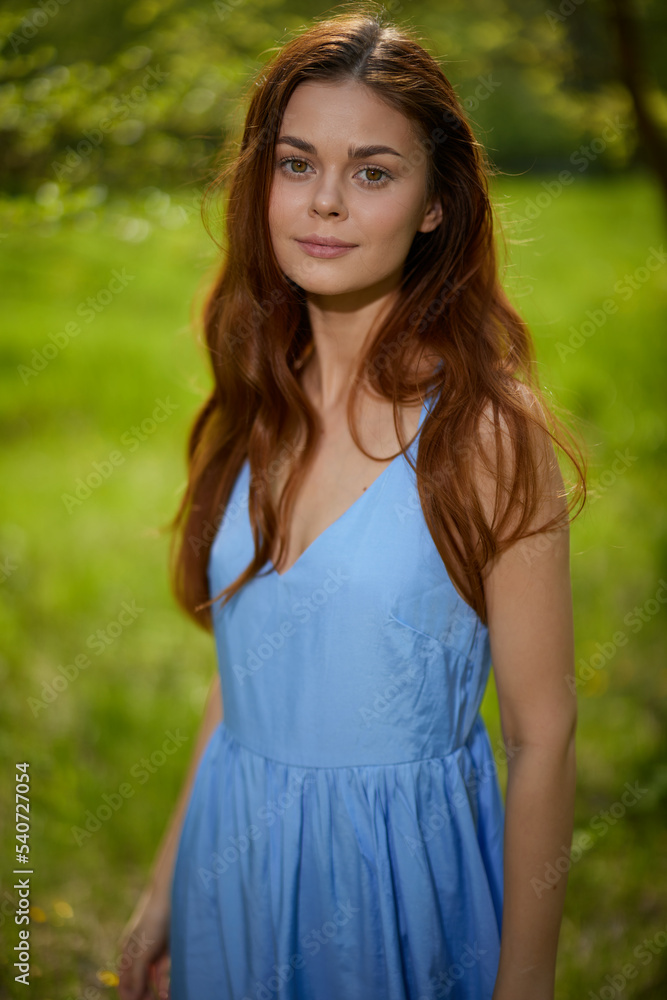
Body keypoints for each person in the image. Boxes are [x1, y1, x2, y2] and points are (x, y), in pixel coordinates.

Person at [116, 5, 586, 999]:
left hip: (392, 894)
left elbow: (543, 736)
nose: (324, 200)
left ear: (433, 204)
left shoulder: (485, 435)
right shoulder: (262, 398)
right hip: (232, 871)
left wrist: (526, 985)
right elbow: (247, 668)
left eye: (372, 171)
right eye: (296, 164)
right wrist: (165, 881)